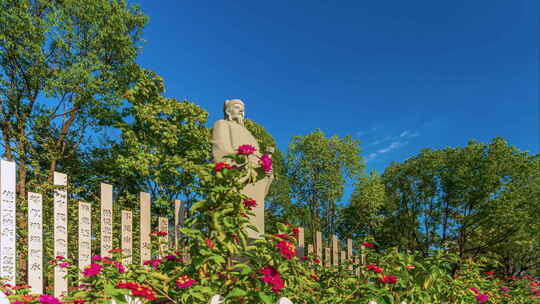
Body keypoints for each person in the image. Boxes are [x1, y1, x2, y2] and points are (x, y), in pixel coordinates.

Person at [211, 99, 273, 239]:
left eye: (242, 108)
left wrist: (267, 169)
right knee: (234, 226)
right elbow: (221, 152)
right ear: (228, 111)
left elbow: (259, 159)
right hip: (238, 176)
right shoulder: (222, 125)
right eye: (237, 107)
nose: (241, 111)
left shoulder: (251, 136)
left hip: (254, 181)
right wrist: (242, 163)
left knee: (253, 226)